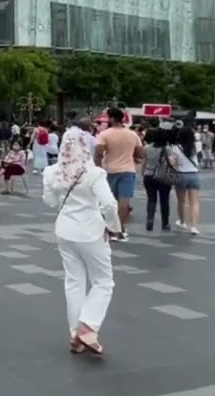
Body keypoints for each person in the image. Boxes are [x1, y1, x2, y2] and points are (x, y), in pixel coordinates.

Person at [44, 130, 120, 356]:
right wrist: (113, 227)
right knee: (103, 282)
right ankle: (87, 327)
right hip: (91, 231)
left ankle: (74, 333)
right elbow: (109, 204)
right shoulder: (93, 173)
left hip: (64, 230)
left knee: (74, 281)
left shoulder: (52, 172)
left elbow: (50, 201)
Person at [94, 107, 144, 242]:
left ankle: (112, 229)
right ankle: (119, 228)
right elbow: (140, 153)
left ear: (111, 118)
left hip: (110, 170)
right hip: (128, 170)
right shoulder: (133, 134)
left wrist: (98, 168)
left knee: (110, 202)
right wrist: (133, 157)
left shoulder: (105, 134)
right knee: (124, 202)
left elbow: (98, 153)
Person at [141, 127, 172, 232]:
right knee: (164, 200)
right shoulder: (167, 148)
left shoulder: (146, 147)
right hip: (163, 176)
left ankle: (150, 219)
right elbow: (172, 162)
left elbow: (144, 162)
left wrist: (143, 173)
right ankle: (165, 223)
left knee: (151, 199)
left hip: (149, 175)